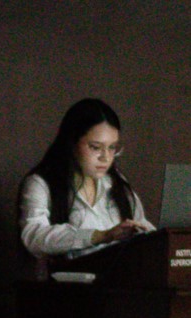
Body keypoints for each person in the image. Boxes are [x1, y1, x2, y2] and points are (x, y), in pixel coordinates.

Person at [19, 98, 154, 258]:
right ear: (72, 143)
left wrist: (146, 234)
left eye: (112, 147)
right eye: (95, 147)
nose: (105, 157)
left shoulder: (116, 181)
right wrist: (100, 236)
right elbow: (34, 237)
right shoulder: (41, 183)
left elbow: (145, 227)